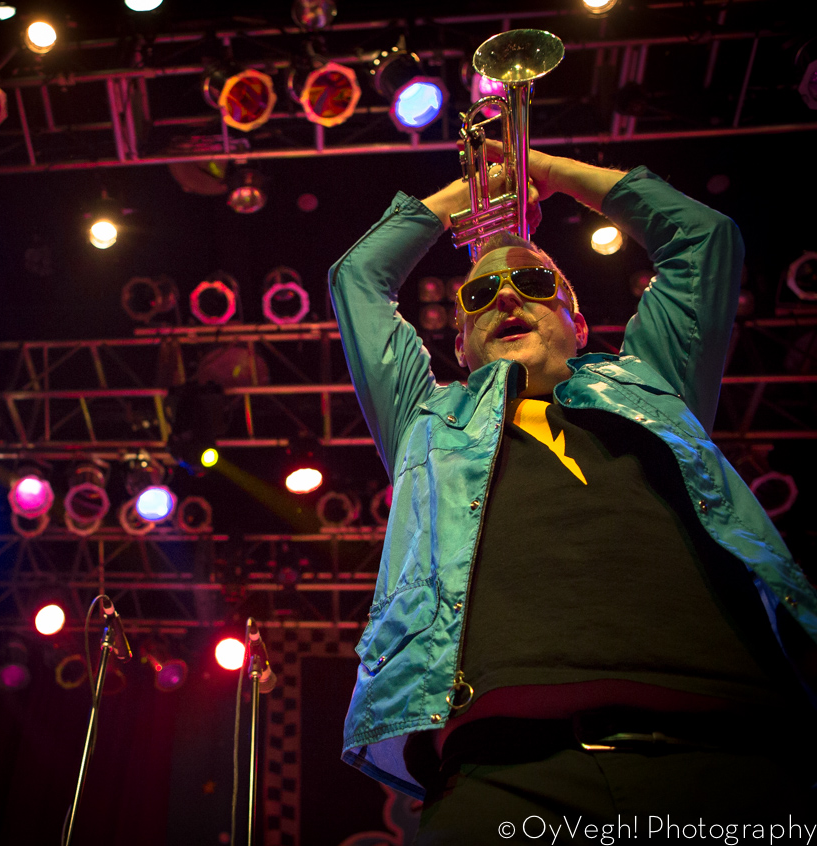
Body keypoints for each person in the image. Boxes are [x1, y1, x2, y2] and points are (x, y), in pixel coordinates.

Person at [329, 149, 817, 842]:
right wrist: (474, 191)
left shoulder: (656, 384)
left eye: (532, 282)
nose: (505, 298)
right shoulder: (425, 422)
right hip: (500, 775)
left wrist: (541, 169)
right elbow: (357, 279)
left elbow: (703, 239)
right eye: (478, 295)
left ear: (579, 323)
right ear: (461, 346)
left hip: (729, 758)